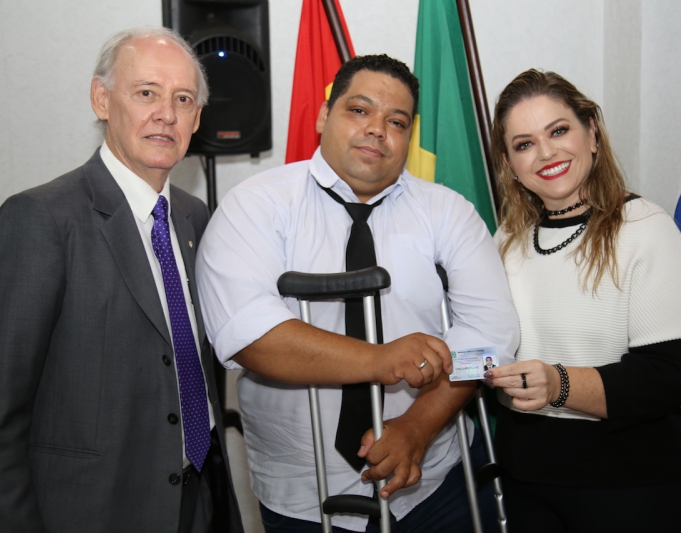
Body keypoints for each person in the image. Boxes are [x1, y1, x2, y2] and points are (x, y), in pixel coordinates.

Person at [196, 54, 519, 532]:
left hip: (438, 481)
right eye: (359, 110)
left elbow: (493, 343)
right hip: (304, 494)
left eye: (397, 121)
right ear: (324, 115)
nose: (377, 130)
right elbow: (247, 336)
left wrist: (418, 427)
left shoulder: (449, 213)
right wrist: (380, 360)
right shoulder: (255, 206)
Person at [0, 27, 243, 533]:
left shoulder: (194, 218)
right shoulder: (40, 219)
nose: (166, 114)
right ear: (102, 99)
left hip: (197, 500)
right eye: (146, 93)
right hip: (92, 512)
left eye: (183, 99)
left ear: (197, 118)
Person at [484, 69, 681, 533]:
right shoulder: (506, 237)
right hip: (526, 480)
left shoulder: (644, 228)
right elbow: (493, 342)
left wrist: (560, 383)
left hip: (633, 487)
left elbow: (679, 373)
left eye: (558, 131)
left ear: (592, 132)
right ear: (508, 163)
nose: (546, 153)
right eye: (524, 144)